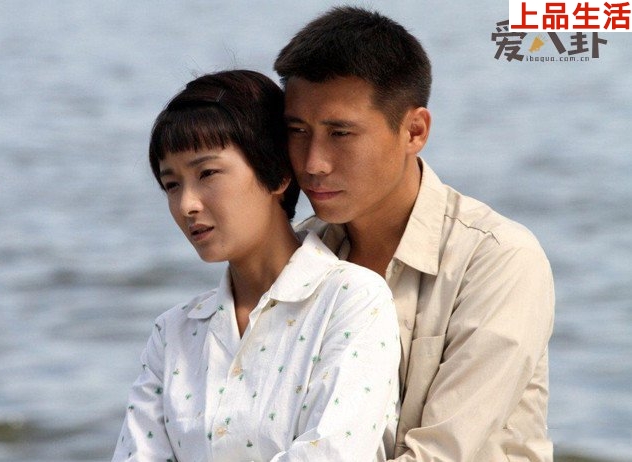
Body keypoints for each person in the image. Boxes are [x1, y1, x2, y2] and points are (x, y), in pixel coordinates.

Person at [274, 6, 555, 461]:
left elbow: (440, 454)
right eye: (297, 131)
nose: (313, 163)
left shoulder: (498, 259)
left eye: (340, 133)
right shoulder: (300, 254)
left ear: (414, 131)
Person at [111, 69, 401, 461]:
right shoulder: (173, 333)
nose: (187, 205)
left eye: (207, 173)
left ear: (276, 174)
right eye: (172, 184)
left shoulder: (352, 300)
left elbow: (334, 453)